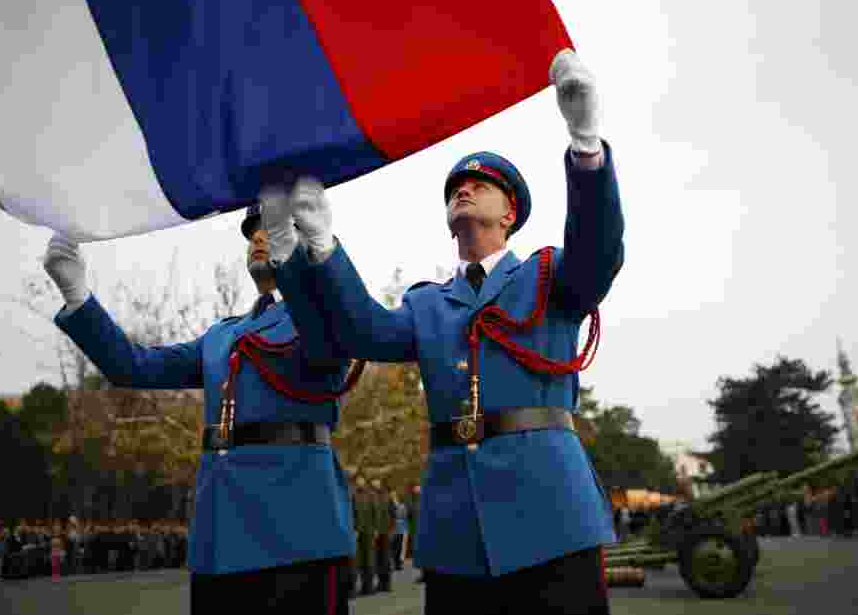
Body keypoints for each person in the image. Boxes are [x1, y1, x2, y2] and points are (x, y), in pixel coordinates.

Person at [265, 48, 623, 615]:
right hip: (459, 529)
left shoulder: (548, 277)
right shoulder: (427, 304)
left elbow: (599, 252)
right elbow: (361, 333)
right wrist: (320, 246)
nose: (465, 188)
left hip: (553, 516)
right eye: (457, 186)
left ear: (510, 214)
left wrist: (585, 145)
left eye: (482, 185)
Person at [42, 204, 359, 614]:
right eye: (252, 232)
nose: (259, 238)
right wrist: (77, 295)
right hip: (222, 533)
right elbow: (132, 366)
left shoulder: (324, 317)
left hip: (300, 529)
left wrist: (300, 268)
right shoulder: (222, 335)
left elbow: (326, 345)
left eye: (274, 228)